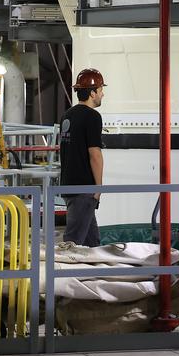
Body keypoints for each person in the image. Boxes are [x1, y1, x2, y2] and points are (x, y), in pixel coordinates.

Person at [59, 67, 105, 246]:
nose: (103, 94)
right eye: (100, 90)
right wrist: (99, 188)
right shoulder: (93, 117)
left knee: (91, 242)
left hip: (68, 185)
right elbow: (95, 154)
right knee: (73, 242)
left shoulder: (67, 115)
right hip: (84, 188)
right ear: (92, 93)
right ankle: (59, 273)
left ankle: (92, 273)